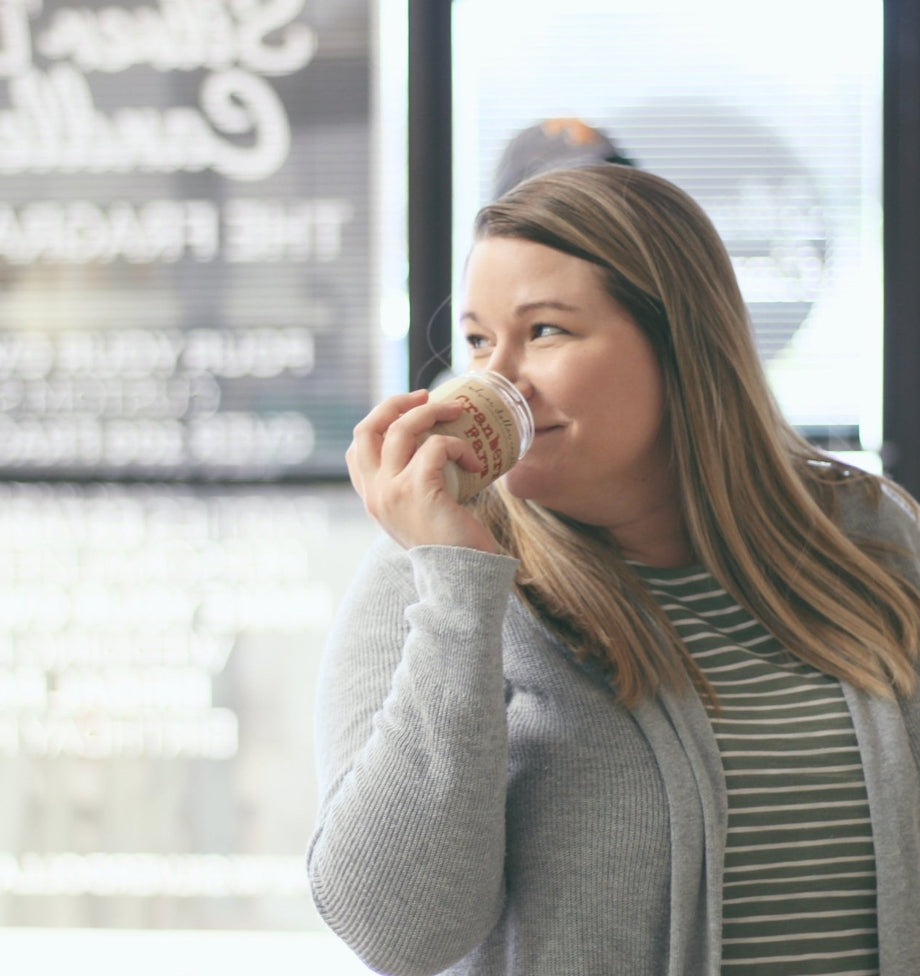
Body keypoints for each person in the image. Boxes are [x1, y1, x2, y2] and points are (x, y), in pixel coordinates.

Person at [306, 164, 920, 976]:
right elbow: (398, 933)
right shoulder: (430, 574)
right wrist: (455, 584)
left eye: (547, 332)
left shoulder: (868, 533)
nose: (497, 381)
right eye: (481, 341)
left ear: (679, 343)